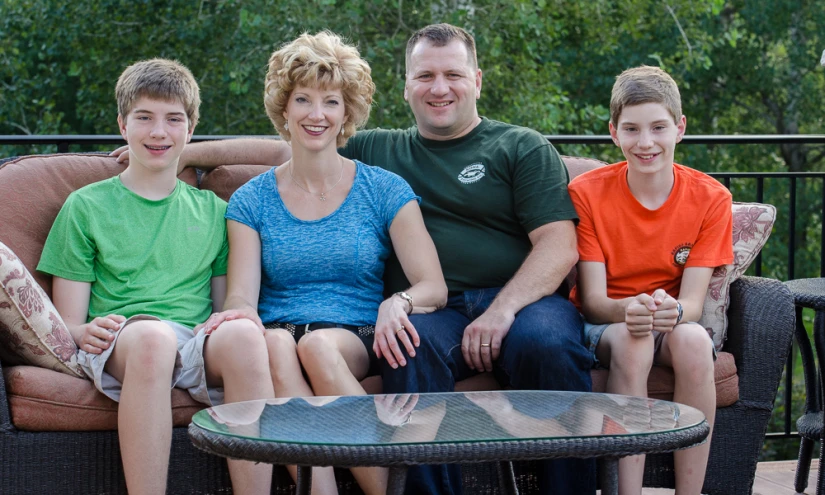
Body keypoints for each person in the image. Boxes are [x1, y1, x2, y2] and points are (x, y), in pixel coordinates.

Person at [114, 23, 595, 494]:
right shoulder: (375, 152)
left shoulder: (513, 148)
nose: (439, 88)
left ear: (477, 80)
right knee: (380, 346)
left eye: (453, 75)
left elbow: (557, 244)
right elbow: (290, 147)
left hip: (506, 304)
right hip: (418, 318)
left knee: (546, 342)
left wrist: (468, 308)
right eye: (425, 76)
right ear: (407, 86)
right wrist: (177, 152)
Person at [196, 31, 447, 495]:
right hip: (277, 336)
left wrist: (401, 301)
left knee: (315, 346)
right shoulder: (251, 200)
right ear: (284, 110)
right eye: (303, 100)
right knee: (272, 343)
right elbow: (241, 296)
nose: (316, 115)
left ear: (347, 111)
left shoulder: (384, 188)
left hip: (354, 334)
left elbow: (433, 284)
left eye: (330, 102)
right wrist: (237, 316)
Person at [38, 59, 278, 495]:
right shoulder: (85, 206)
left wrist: (233, 323)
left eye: (173, 120)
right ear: (122, 125)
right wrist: (80, 330)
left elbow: (223, 307)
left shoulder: (215, 212)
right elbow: (69, 319)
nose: (158, 132)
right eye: (144, 118)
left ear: (191, 130)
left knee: (244, 334)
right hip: (127, 339)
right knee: (154, 339)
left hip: (193, 338)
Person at [568, 65, 733, 494]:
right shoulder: (586, 193)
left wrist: (671, 309)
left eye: (658, 127)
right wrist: (630, 310)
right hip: (606, 323)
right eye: (632, 129)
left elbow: (692, 306)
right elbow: (592, 301)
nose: (646, 143)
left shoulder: (712, 198)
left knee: (696, 341)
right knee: (633, 339)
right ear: (614, 133)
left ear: (679, 128)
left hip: (667, 318)